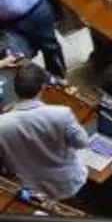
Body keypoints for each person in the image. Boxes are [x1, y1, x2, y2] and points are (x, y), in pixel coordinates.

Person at [0, 63, 88, 200]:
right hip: (68, 184)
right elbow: (82, 143)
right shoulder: (61, 114)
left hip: (30, 191)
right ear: (42, 87)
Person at [0, 0, 65, 77]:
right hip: (10, 22)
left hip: (34, 10)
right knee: (19, 58)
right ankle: (41, 87)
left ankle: (61, 83)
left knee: (50, 48)